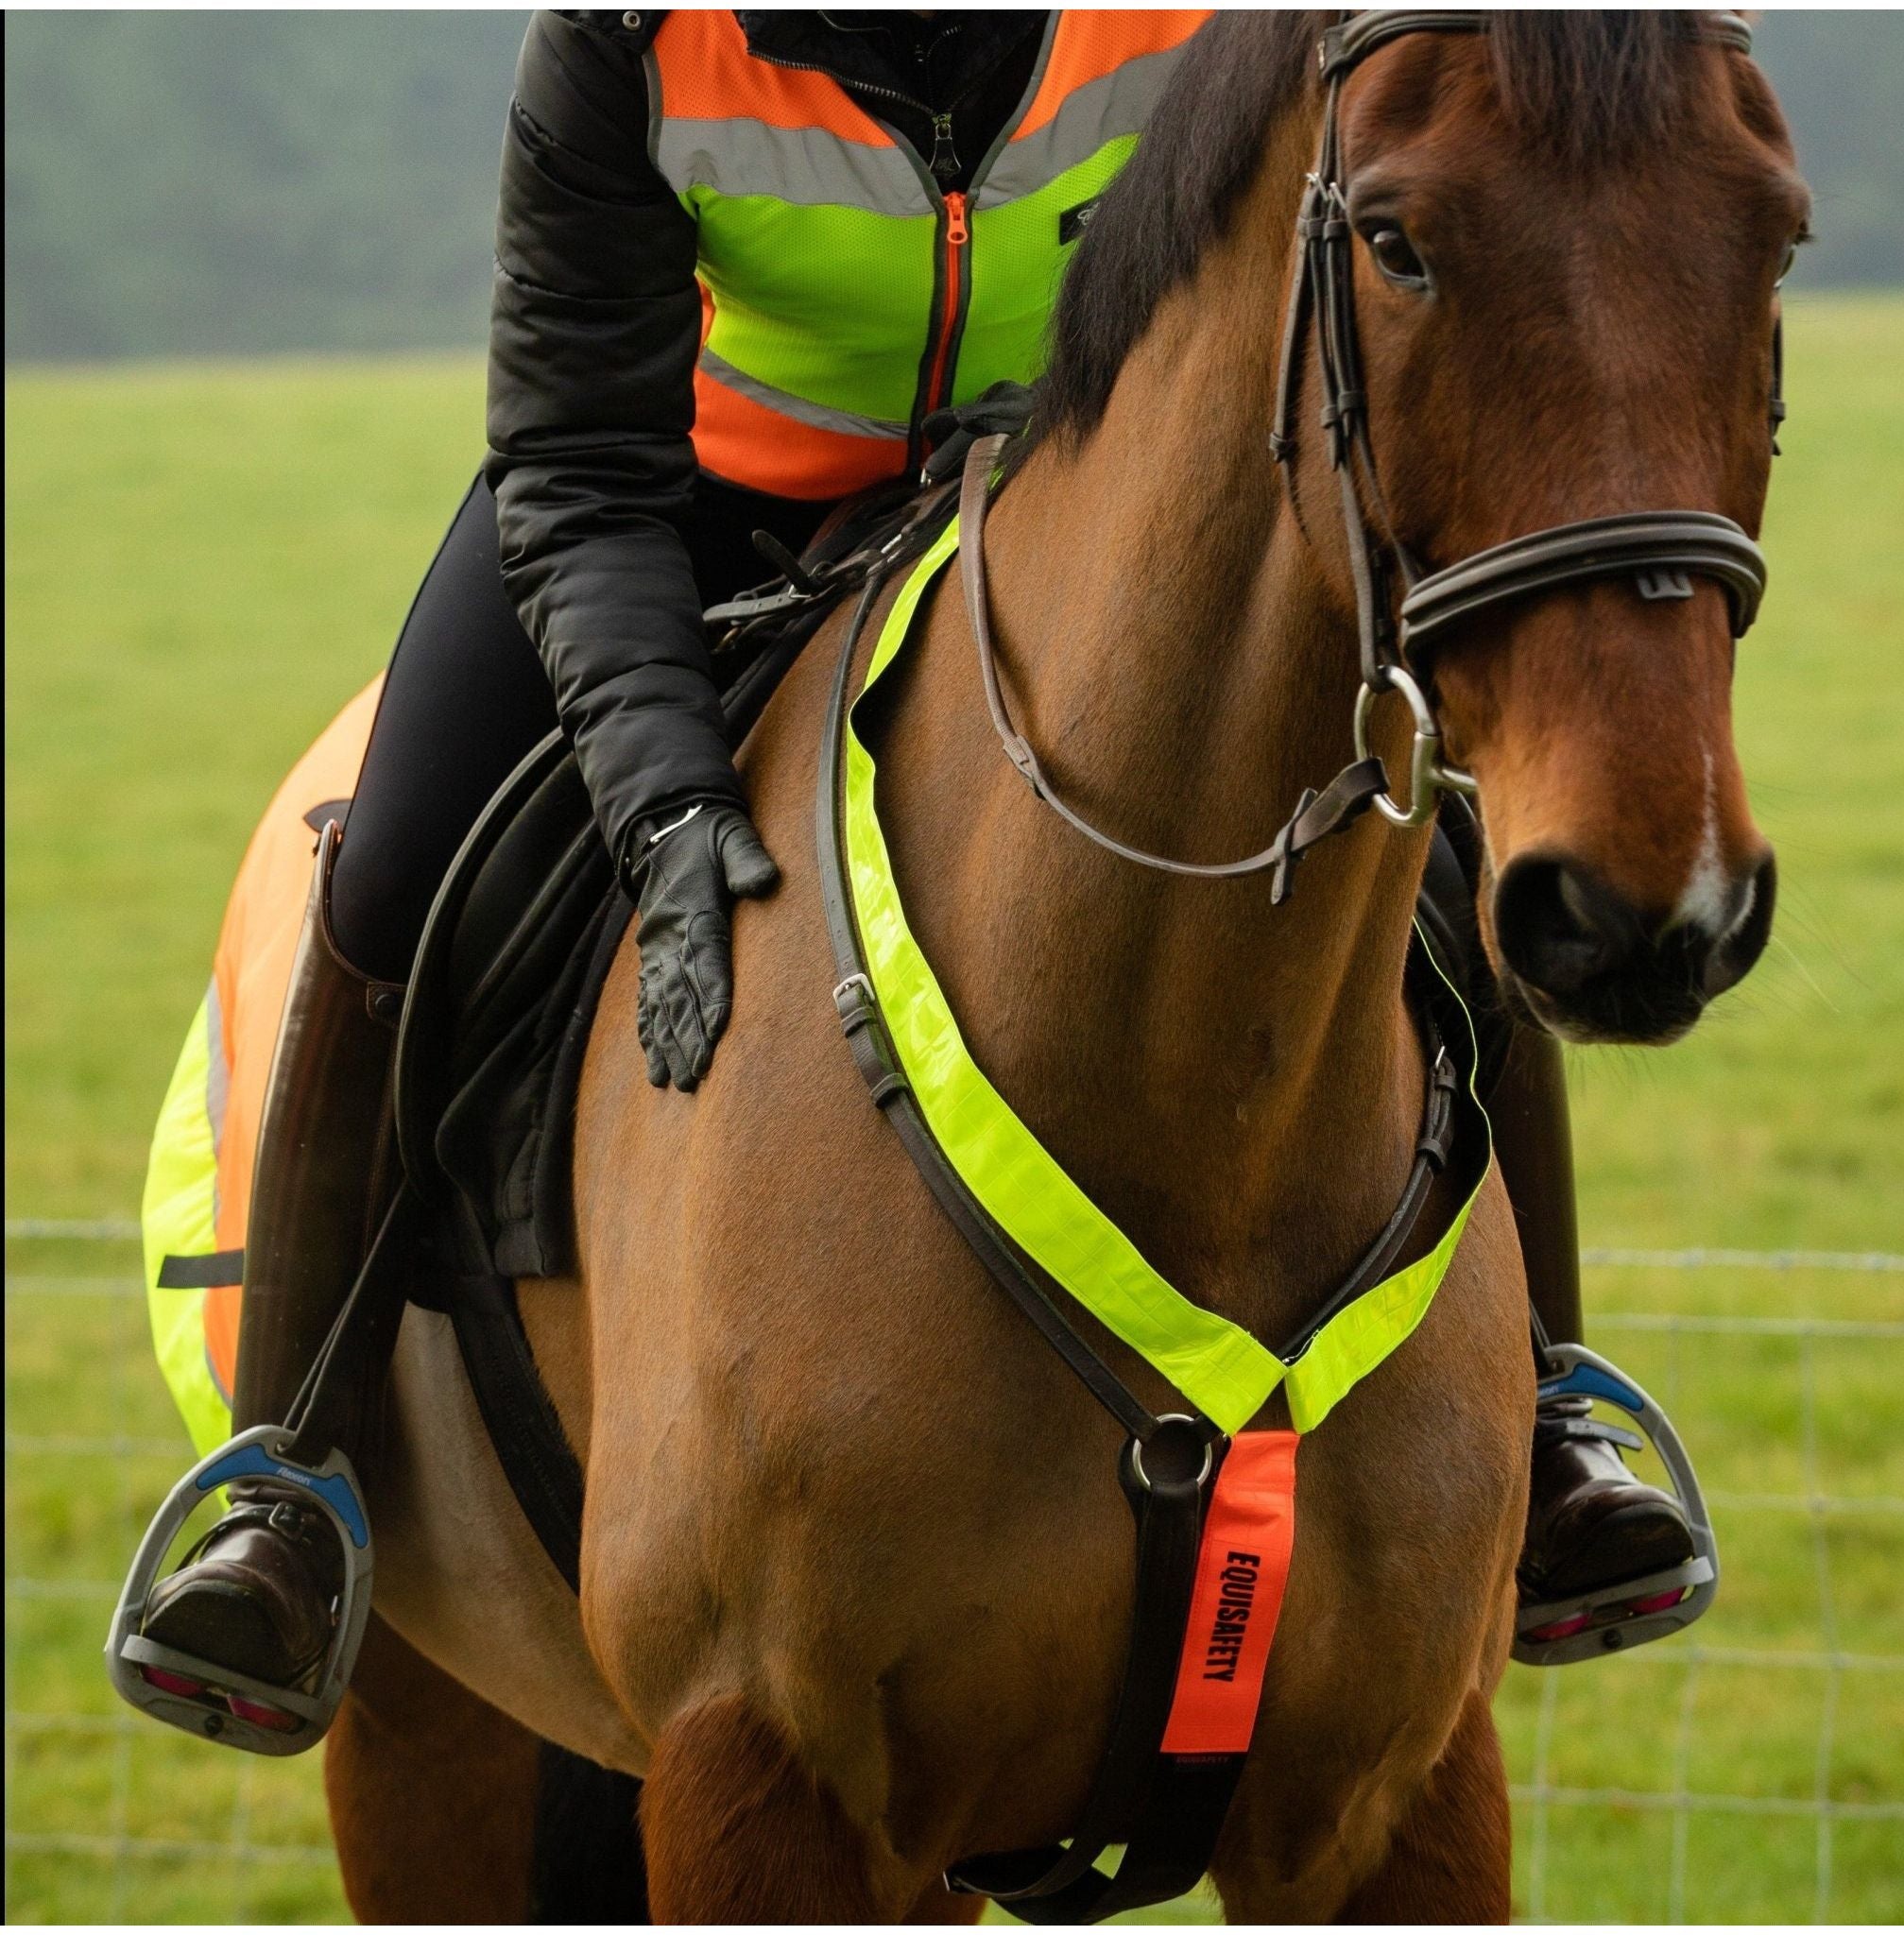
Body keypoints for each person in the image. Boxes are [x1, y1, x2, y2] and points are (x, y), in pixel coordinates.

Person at [139, 9, 1692, 1704]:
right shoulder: (630, 39)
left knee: (1438, 823)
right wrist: (667, 803)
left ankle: (1549, 1417)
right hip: (679, 506)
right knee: (393, 868)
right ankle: (287, 1479)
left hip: (1073, 498)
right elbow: (578, 464)